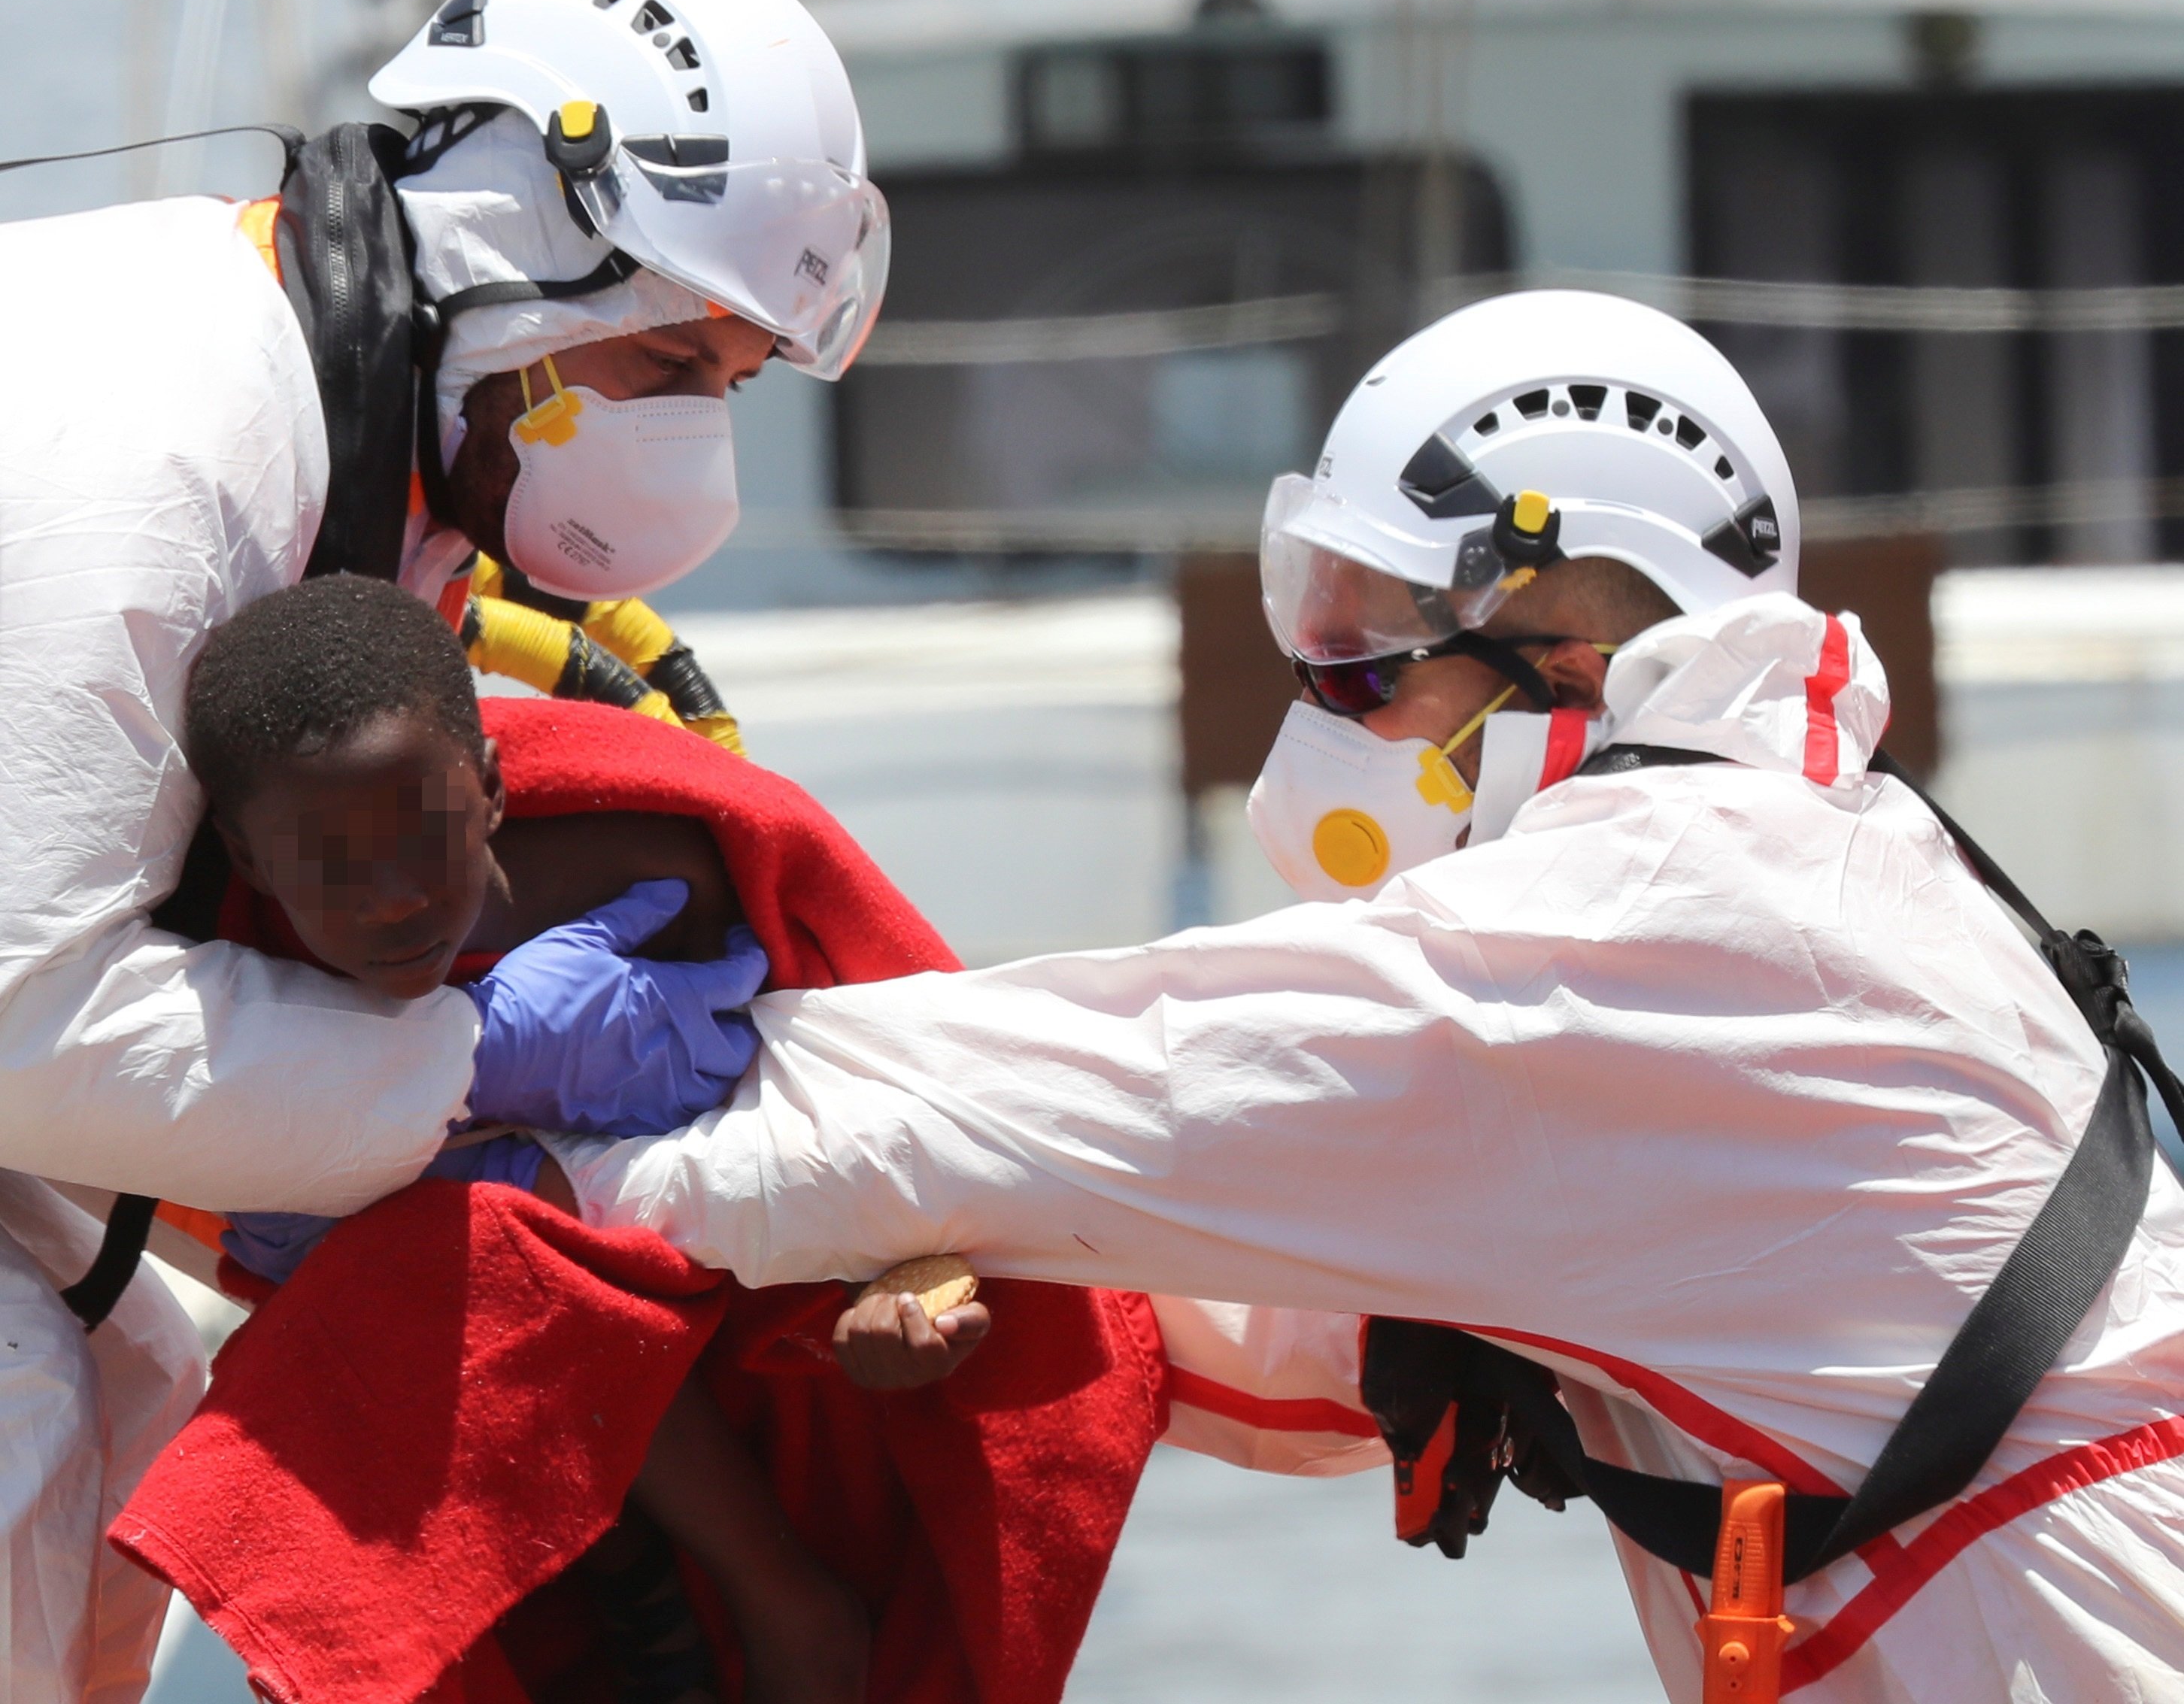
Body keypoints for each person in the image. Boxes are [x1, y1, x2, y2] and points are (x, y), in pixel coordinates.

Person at [550, 291, 2184, 1700]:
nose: (1337, 721)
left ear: (1568, 647)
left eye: (1371, 665)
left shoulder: (1640, 922)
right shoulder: (1811, 852)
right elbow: (1289, 1326)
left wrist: (476, 1124)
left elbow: (1071, 1084)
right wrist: (971, 1252)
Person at [0, 0, 886, 1697]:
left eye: (730, 383)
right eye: (671, 365)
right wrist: (474, 1061)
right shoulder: (163, 451)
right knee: (32, 1415)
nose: (699, 436)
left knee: (122, 1391)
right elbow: (28, 1025)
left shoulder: (354, 437)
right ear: (517, 261)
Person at [184, 575, 993, 1704]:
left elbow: (849, 1049)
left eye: (426, 836)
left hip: (732, 1287)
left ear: (498, 788)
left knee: (471, 1233)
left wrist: (887, 1281)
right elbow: (259, 1208)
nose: (392, 900)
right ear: (251, 860)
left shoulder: (651, 865)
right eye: (333, 863)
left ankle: (777, 1594)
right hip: (518, 1371)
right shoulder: (227, 975)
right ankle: (667, 1581)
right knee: (420, 1262)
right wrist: (484, 1061)